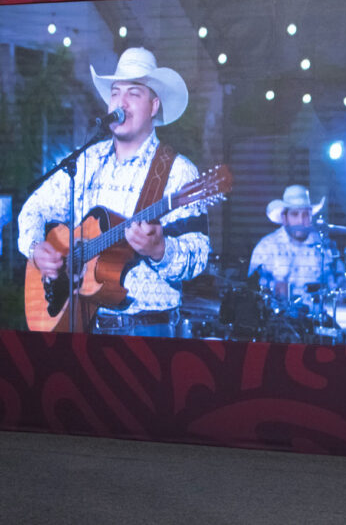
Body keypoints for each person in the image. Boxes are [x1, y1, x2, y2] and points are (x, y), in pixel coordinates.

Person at [18, 47, 210, 337]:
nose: (121, 102)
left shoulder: (178, 172)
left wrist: (161, 251)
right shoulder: (85, 162)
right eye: (116, 93)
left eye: (134, 93)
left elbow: (199, 254)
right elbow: (34, 208)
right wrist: (36, 249)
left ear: (154, 106)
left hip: (150, 330)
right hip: (84, 323)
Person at [248, 185, 346, 309]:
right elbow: (251, 290)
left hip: (318, 321)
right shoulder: (266, 247)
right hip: (277, 322)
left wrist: (336, 289)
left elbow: (340, 286)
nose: (301, 220)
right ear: (284, 218)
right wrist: (273, 289)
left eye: (306, 214)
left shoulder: (325, 246)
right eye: (295, 214)